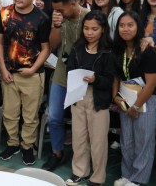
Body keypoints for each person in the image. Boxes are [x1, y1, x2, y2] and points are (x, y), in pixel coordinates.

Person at [0, 0, 51, 165]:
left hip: (32, 75)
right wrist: (2, 68)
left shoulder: (42, 18)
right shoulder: (4, 13)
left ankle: (27, 146)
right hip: (9, 73)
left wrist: (33, 69)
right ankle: (12, 143)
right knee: (10, 113)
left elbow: (45, 48)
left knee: (30, 116)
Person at [42, 0, 89, 172]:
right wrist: (56, 25)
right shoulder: (60, 19)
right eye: (55, 10)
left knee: (81, 121)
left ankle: (81, 157)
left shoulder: (89, 17)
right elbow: (53, 45)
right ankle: (57, 153)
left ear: (73, 3)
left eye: (61, 10)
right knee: (54, 117)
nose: (58, 13)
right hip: (61, 73)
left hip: (81, 76)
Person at [65, 11, 114, 186]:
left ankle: (98, 177)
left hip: (98, 99)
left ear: (102, 30)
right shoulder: (78, 48)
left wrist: (96, 79)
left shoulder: (108, 51)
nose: (89, 32)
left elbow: (110, 79)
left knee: (98, 140)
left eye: (94, 29)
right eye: (86, 28)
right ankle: (80, 172)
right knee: (78, 137)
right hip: (78, 96)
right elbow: (69, 69)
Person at [112, 11, 156, 186]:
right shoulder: (119, 50)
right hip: (125, 99)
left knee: (143, 142)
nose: (125, 29)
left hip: (145, 101)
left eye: (130, 25)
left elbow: (152, 84)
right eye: (121, 25)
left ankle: (137, 180)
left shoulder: (147, 51)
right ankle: (126, 176)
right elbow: (116, 76)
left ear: (138, 27)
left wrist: (136, 107)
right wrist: (116, 96)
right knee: (127, 140)